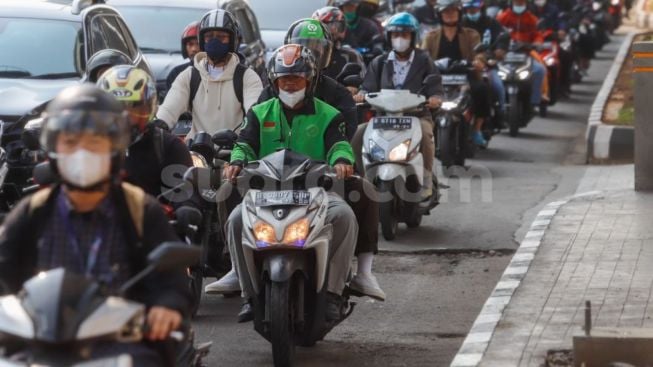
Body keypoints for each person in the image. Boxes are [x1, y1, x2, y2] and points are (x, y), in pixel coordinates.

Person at [0, 84, 191, 366]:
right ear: (53, 150)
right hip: (37, 343)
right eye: (71, 142)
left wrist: (166, 307)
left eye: (94, 143)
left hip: (118, 343)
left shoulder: (141, 210)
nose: (82, 153)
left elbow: (171, 281)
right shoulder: (32, 211)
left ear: (114, 150)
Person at [224, 44, 359, 322]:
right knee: (236, 219)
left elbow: (339, 144)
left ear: (308, 80)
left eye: (296, 78)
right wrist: (236, 162)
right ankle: (249, 294)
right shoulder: (259, 113)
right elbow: (245, 144)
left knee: (345, 215)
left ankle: (333, 292)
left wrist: (342, 160)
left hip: (315, 192)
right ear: (274, 81)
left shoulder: (329, 114)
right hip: (266, 194)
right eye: (284, 78)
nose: (290, 84)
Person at [353, 12, 443, 200]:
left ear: (413, 37)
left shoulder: (425, 61)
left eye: (404, 35)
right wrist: (361, 94)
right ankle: (358, 181)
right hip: (382, 119)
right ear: (389, 37)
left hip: (417, 117)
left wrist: (434, 97)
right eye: (395, 35)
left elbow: (435, 87)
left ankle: (425, 182)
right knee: (358, 134)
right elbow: (368, 86)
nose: (400, 39)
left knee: (426, 135)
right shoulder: (379, 62)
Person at [96, 65, 196, 208]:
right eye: (116, 109)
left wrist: (185, 210)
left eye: (134, 108)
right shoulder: (92, 147)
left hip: (152, 226)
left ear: (149, 108)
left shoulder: (168, 146)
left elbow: (186, 194)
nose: (125, 117)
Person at [156, 9, 263, 140]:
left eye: (221, 37)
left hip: (236, 154)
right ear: (202, 40)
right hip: (197, 154)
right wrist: (159, 124)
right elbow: (169, 108)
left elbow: (256, 112)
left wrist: (248, 131)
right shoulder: (189, 76)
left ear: (232, 41)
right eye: (209, 37)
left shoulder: (247, 77)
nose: (214, 41)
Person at [422, 0, 491, 147]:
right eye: (446, 11)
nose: (450, 14)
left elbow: (480, 53)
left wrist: (478, 61)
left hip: (466, 76)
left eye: (453, 11)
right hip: (438, 77)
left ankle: (477, 130)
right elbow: (423, 55)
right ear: (440, 14)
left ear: (459, 13)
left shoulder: (471, 35)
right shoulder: (430, 36)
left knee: (482, 89)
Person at [461, 0, 509, 123]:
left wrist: (500, 49)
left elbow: (502, 36)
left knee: (497, 85)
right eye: (469, 8)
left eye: (474, 8)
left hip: (487, 64)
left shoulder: (491, 22)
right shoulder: (460, 23)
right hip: (462, 66)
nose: (472, 11)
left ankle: (500, 114)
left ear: (480, 7)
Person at [497, 0, 549, 112]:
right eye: (516, 2)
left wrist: (536, 43)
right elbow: (496, 33)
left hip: (526, 53)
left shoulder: (532, 19)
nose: (519, 4)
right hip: (504, 54)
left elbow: (538, 36)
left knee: (540, 70)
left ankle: (535, 101)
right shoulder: (502, 17)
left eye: (521, 2)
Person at [312, 6, 367, 84]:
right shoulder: (307, 55)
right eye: (322, 26)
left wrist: (353, 87)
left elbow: (364, 84)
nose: (332, 29)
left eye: (336, 26)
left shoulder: (351, 55)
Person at [166, 21, 200, 91]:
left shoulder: (216, 73)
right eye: (190, 44)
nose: (194, 49)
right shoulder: (176, 73)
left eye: (198, 44)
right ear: (184, 47)